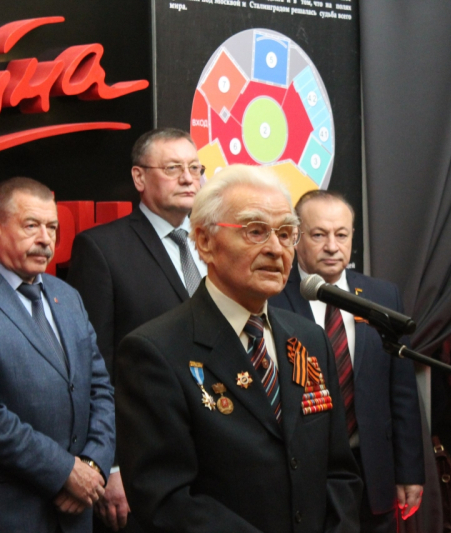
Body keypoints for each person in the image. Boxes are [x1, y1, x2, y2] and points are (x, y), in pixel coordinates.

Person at [116, 164, 363, 533]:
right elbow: (165, 499)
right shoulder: (155, 351)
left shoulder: (310, 339)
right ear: (204, 241)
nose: (276, 248)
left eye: (285, 233)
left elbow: (339, 472)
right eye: (255, 231)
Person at [0, 177, 115, 533]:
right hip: (11, 514)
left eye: (52, 227)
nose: (45, 239)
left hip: (78, 512)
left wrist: (92, 465)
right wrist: (65, 472)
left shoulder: (67, 296)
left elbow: (101, 390)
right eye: (31, 226)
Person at [66, 128, 206, 531]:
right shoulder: (102, 249)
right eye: (173, 168)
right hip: (143, 463)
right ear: (139, 177)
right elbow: (95, 366)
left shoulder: (216, 244)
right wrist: (110, 465)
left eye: (195, 168)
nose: (188, 178)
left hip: (215, 456)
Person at [269, 190, 424, 533]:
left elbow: (401, 391)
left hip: (372, 468)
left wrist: (409, 471)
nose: (332, 246)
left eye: (341, 234)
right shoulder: (272, 297)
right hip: (303, 470)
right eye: (318, 235)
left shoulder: (382, 296)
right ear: (295, 237)